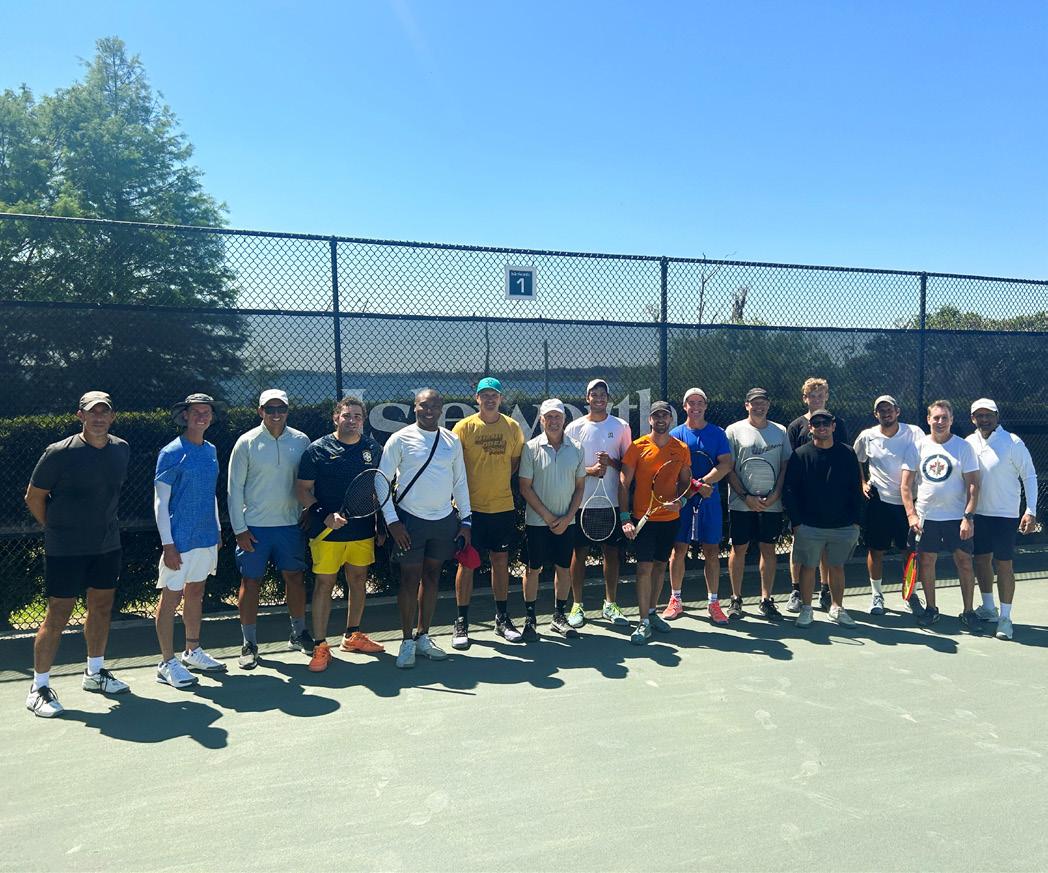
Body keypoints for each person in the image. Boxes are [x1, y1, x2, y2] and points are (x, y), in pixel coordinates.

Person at [23, 391, 131, 717]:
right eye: (92, 412)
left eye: (104, 412)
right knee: (58, 614)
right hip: (65, 549)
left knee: (101, 608)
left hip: (107, 546)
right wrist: (56, 528)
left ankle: (94, 673)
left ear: (112, 416)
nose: (98, 418)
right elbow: (34, 496)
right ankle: (38, 688)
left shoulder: (121, 449)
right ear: (80, 416)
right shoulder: (58, 453)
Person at [380, 389, 472, 667]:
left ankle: (423, 636)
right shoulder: (400, 439)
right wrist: (392, 521)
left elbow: (460, 482)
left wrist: (466, 521)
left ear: (441, 408)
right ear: (415, 407)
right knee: (409, 580)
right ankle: (406, 641)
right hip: (409, 521)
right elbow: (381, 481)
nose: (428, 410)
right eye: (423, 405)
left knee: (432, 577)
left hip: (444, 521)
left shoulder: (452, 440)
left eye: (434, 406)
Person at [295, 397, 385, 672]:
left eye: (357, 416)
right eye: (346, 415)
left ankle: (352, 635)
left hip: (362, 530)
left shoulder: (373, 448)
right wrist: (324, 514)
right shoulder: (317, 450)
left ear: (363, 420)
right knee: (324, 584)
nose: (352, 420)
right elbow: (302, 489)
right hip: (326, 532)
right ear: (336, 418)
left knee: (358, 580)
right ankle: (320, 645)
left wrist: (381, 524)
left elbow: (378, 488)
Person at [227, 389, 311, 670]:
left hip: (290, 526)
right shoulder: (246, 442)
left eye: (281, 409)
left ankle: (298, 634)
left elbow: (307, 482)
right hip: (254, 528)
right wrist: (239, 529)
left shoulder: (301, 441)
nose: (276, 414)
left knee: (295, 578)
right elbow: (234, 489)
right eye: (270, 409)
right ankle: (249, 644)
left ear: (287, 410)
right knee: (251, 582)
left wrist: (308, 510)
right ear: (260, 411)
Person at [154, 393, 227, 688]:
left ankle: (192, 651)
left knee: (195, 592)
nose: (201, 416)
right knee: (171, 597)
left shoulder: (211, 450)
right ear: (185, 415)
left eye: (206, 412)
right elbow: (161, 502)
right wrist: (168, 544)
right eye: (196, 411)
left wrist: (217, 529)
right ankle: (166, 662)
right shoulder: (171, 452)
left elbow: (210, 494)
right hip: (179, 539)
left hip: (206, 536)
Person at [451, 377, 525, 647]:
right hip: (470, 510)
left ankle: (502, 618)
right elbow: (455, 465)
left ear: (500, 398)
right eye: (485, 395)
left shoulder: (512, 427)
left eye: (494, 395)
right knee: (467, 563)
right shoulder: (463, 428)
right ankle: (461, 622)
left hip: (502, 507)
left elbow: (514, 463)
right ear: (477, 399)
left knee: (501, 560)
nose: (490, 399)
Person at [900, 400, 981, 629]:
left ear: (951, 420)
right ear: (928, 420)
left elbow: (973, 485)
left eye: (945, 417)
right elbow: (905, 486)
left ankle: (968, 612)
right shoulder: (917, 447)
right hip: (926, 518)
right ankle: (931, 609)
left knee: (965, 562)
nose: (940, 422)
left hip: (957, 519)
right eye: (936, 417)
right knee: (927, 562)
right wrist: (912, 515)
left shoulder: (964, 447)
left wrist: (968, 517)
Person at [782, 412, 864, 628]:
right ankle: (806, 609)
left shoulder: (847, 453)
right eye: (816, 423)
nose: (822, 427)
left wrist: (856, 521)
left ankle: (837, 608)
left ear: (833, 426)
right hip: (809, 525)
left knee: (836, 567)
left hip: (843, 525)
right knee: (808, 567)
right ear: (810, 428)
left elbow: (856, 488)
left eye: (826, 423)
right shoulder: (800, 455)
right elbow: (790, 490)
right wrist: (797, 522)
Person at [966, 398, 1039, 641]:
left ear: (997, 417)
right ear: (973, 419)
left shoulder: (1012, 442)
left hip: (1005, 516)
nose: (984, 419)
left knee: (1004, 565)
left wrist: (1030, 510)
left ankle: (1005, 618)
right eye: (979, 415)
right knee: (981, 561)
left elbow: (1029, 476)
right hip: (978, 514)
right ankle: (989, 608)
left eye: (989, 415)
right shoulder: (969, 443)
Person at [620, 401, 693, 645]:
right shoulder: (637, 447)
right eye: (656, 416)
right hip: (644, 518)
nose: (660, 419)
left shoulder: (681, 448)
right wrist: (625, 517)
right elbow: (624, 483)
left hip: (670, 520)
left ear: (670, 419)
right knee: (644, 568)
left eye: (665, 415)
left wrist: (681, 502)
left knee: (661, 566)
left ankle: (651, 613)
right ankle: (642, 622)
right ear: (650, 420)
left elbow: (686, 481)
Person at [565, 378, 632, 628]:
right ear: (587, 398)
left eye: (603, 393)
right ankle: (577, 605)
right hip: (581, 503)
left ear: (608, 398)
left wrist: (610, 463)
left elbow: (628, 465)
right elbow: (567, 466)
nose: (599, 398)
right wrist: (590, 471)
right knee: (578, 553)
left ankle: (610, 604)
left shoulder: (621, 427)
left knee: (611, 554)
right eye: (594, 394)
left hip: (611, 502)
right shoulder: (574, 428)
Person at [518, 399, 587, 639]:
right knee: (533, 568)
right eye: (549, 417)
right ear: (542, 420)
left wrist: (567, 518)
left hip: (567, 523)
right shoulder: (530, 448)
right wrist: (548, 517)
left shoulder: (577, 448)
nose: (553, 421)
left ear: (564, 420)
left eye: (558, 416)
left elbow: (580, 487)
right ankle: (530, 619)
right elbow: (525, 487)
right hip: (537, 523)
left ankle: (559, 617)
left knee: (563, 568)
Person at [853, 395, 926, 615]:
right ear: (876, 414)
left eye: (889, 409)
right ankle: (877, 596)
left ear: (897, 411)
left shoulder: (914, 432)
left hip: (909, 504)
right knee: (876, 550)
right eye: (881, 410)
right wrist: (862, 482)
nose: (886, 413)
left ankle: (911, 594)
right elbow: (856, 459)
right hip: (879, 503)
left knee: (909, 552)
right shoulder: (867, 436)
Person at [664, 388, 731, 624]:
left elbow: (725, 464)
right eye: (691, 403)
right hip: (682, 499)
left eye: (700, 402)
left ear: (706, 406)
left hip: (709, 500)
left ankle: (713, 603)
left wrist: (703, 483)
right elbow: (672, 469)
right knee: (678, 549)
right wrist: (693, 486)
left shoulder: (717, 434)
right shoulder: (675, 434)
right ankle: (675, 600)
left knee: (712, 551)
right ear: (684, 407)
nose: (695, 407)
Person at [724, 388, 792, 620]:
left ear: (768, 405)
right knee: (739, 549)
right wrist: (746, 497)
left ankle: (766, 600)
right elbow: (728, 468)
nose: (759, 407)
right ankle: (736, 599)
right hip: (741, 504)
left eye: (763, 402)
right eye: (754, 403)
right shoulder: (733, 430)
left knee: (768, 548)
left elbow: (785, 466)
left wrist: (775, 495)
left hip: (772, 504)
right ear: (747, 405)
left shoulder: (780, 431)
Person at [786, 377, 851, 612]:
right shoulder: (796, 426)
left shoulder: (837, 423)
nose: (816, 399)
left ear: (826, 397)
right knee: (799, 544)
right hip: (804, 499)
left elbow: (843, 457)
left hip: (830, 500)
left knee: (826, 546)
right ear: (805, 398)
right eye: (812, 396)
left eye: (820, 395)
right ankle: (796, 591)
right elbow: (791, 461)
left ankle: (825, 590)